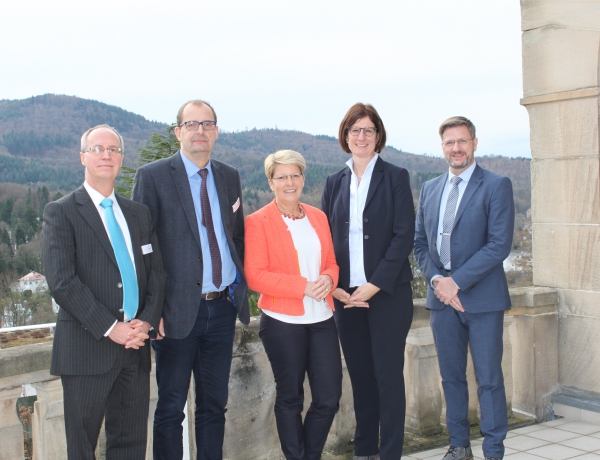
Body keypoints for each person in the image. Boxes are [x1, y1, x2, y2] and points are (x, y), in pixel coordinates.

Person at [132, 99, 249, 460]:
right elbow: (142, 248)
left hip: (222, 309)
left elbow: (237, 236)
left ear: (216, 131)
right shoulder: (152, 176)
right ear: (178, 131)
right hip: (176, 312)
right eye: (192, 124)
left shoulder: (229, 176)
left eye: (208, 124)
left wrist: (236, 291)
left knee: (214, 407)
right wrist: (152, 311)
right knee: (170, 409)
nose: (200, 131)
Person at [41, 124, 166, 459]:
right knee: (82, 448)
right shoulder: (62, 212)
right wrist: (113, 328)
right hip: (86, 350)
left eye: (113, 149)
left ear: (122, 158)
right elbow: (62, 281)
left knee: (130, 445)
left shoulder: (139, 215)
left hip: (135, 349)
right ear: (83, 157)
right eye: (97, 149)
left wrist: (146, 320)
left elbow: (156, 274)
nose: (106, 155)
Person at [413, 116, 514, 460]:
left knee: (488, 379)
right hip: (442, 301)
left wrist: (457, 281)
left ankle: (493, 450)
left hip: (483, 300)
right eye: (449, 143)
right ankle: (459, 446)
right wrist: (439, 282)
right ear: (442, 148)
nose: (456, 148)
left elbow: (499, 245)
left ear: (474, 143)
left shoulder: (496, 185)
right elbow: (420, 244)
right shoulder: (430, 188)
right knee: (451, 378)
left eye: (462, 141)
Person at [321, 103, 415, 460]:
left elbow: (403, 236)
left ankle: (390, 453)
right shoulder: (334, 182)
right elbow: (326, 239)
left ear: (378, 137)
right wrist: (339, 288)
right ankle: (365, 452)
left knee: (388, 378)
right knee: (361, 379)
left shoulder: (396, 177)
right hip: (346, 298)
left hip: (387, 295)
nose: (361, 136)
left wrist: (372, 286)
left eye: (368, 130)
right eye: (355, 130)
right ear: (346, 136)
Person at [245, 150, 342, 460]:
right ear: (271, 182)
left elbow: (331, 262)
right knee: (290, 398)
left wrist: (328, 278)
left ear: (303, 178)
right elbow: (255, 276)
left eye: (295, 175)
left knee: (328, 398)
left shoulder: (318, 216)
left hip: (322, 317)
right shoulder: (257, 222)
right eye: (281, 176)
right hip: (281, 321)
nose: (289, 182)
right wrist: (303, 287)